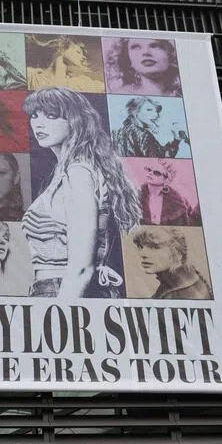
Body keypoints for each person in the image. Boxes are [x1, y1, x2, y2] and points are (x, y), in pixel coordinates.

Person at [21, 87, 142, 298]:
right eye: (34, 116)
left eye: (51, 116)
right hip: (57, 289)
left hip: (63, 292)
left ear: (75, 121)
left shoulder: (78, 172)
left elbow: (81, 269)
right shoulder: (67, 171)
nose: (39, 124)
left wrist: (62, 312)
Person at [131, 226, 212, 300]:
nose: (143, 254)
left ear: (177, 252)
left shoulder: (184, 293)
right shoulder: (177, 284)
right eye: (140, 246)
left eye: (153, 247)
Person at [113, 98, 189, 159]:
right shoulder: (143, 135)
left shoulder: (117, 132)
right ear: (135, 112)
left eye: (156, 111)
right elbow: (161, 160)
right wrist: (176, 141)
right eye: (149, 110)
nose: (156, 115)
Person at [106, 38, 181, 96]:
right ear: (127, 58)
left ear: (171, 54)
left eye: (155, 46)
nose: (146, 52)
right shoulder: (117, 94)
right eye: (136, 47)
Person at [135, 161, 201, 227]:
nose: (151, 173)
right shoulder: (135, 196)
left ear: (166, 180)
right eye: (149, 170)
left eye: (157, 173)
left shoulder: (177, 202)